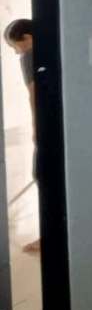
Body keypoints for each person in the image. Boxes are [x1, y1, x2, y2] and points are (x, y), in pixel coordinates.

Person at [3, 18, 39, 252]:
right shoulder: (57, 47)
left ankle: (48, 237)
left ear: (27, 38)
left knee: (41, 175)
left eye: (16, 47)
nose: (17, 53)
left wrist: (36, 126)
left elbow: (32, 93)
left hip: (48, 126)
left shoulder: (29, 57)